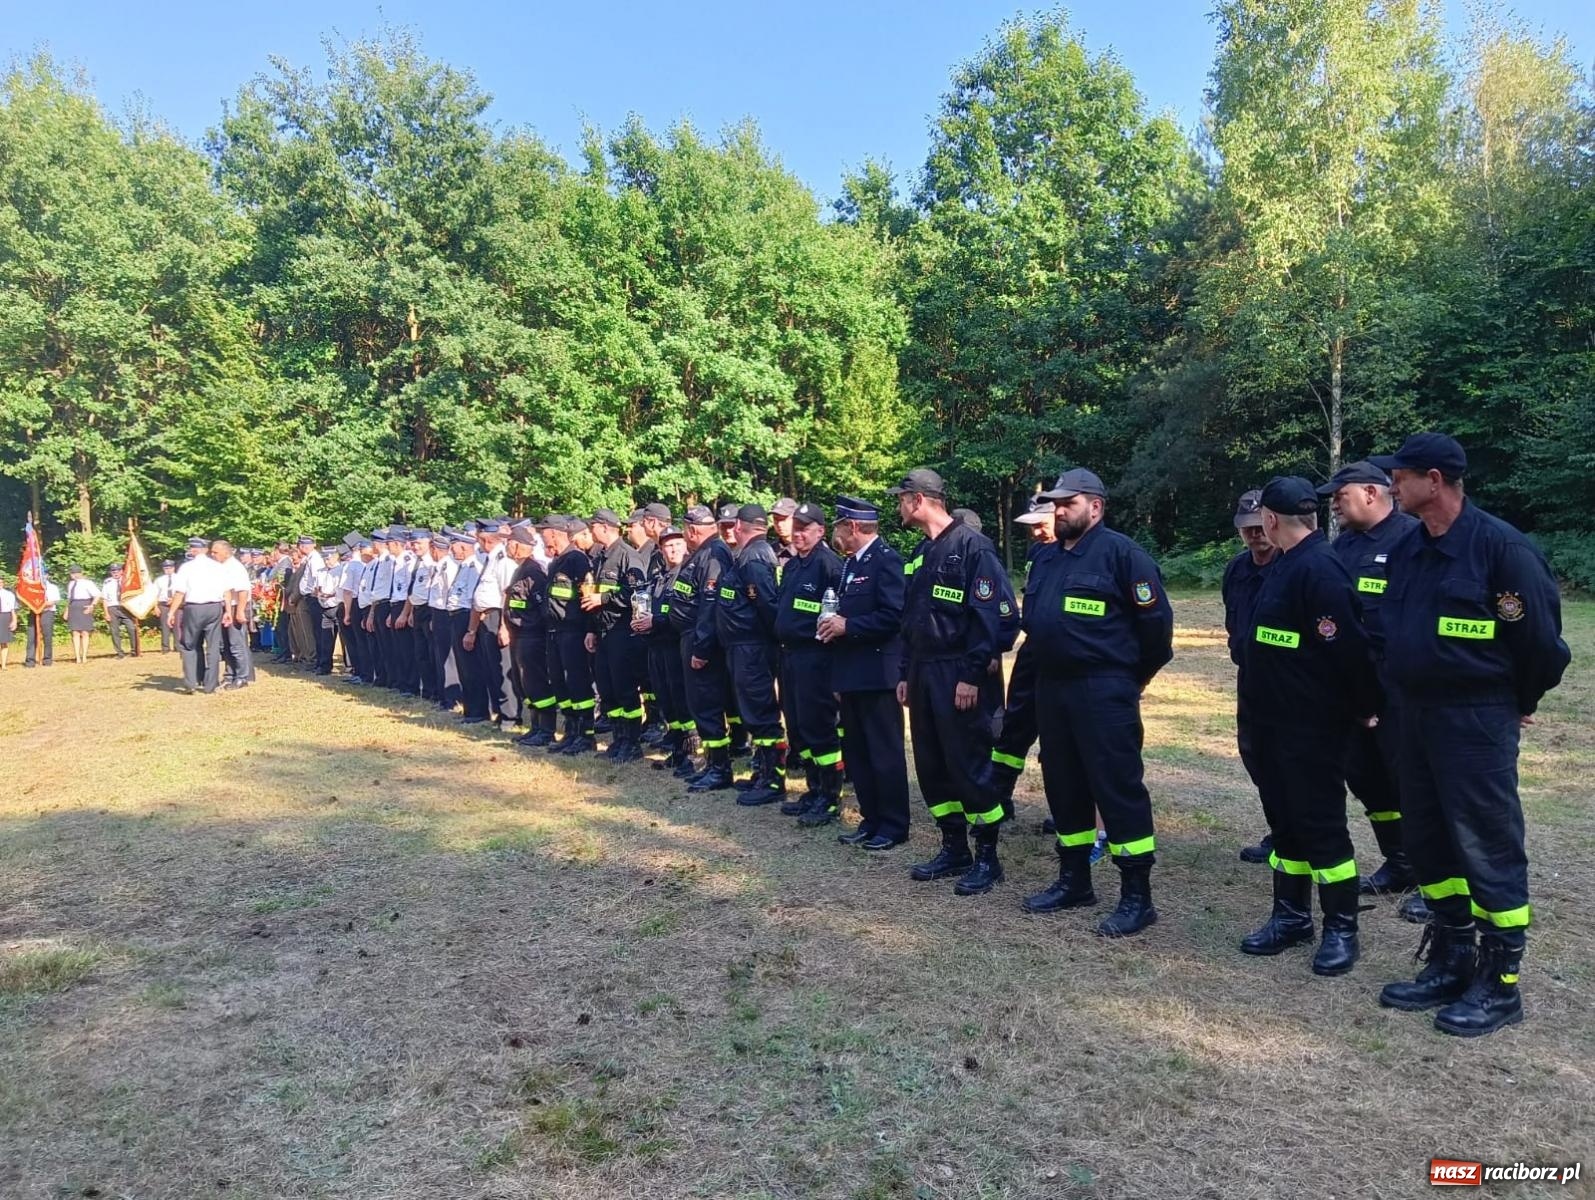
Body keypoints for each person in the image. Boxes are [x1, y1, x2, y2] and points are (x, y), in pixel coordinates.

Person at [1372, 433, 1570, 1037]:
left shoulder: (1501, 550)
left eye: (1399, 478)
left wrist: (1516, 702)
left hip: (1475, 716)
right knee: (1429, 840)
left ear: (1434, 481)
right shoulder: (1409, 549)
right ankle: (1452, 958)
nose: (1391, 488)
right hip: (1415, 715)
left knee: (1486, 843)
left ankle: (1500, 983)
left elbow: (1541, 647)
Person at [1011, 468, 1175, 937]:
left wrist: (1128, 679)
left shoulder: (1123, 555)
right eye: (1056, 503)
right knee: (1064, 785)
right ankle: (1074, 880)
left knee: (1117, 788)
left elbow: (1156, 633)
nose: (1059, 510)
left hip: (1104, 689)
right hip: (1053, 687)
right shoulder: (1046, 557)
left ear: (1096, 507)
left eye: (1069, 503)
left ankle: (1137, 897)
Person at [1238, 477, 1379, 976]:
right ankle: (1291, 917)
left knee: (1320, 827)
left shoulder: (1319, 569)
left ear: (1272, 520)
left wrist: (1364, 707)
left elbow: (1349, 651)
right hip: (1272, 722)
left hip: (1311, 727)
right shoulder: (1285, 564)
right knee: (1286, 825)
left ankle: (1342, 928)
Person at [890, 468, 1009, 895]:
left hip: (958, 672)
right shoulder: (922, 553)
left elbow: (986, 619)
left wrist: (971, 675)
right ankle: (953, 846)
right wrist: (905, 672)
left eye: (901, 499)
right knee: (932, 764)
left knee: (968, 764)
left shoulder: (973, 548)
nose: (898, 507)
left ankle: (988, 858)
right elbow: (910, 620)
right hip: (922, 672)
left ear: (919, 500)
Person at [1317, 461, 1427, 923]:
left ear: (1369, 492)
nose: (1334, 504)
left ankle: (1433, 877)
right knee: (1366, 777)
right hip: (1351, 682)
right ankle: (1398, 861)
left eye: (1339, 495)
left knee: (1412, 780)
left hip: (1398, 683)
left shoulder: (1412, 540)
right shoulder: (1342, 547)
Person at [819, 497, 910, 850]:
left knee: (884, 753)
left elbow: (893, 616)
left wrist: (848, 625)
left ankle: (894, 824)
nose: (835, 533)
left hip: (878, 675)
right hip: (852, 674)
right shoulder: (850, 564)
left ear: (853, 527)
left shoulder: (886, 561)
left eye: (838, 526)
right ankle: (871, 819)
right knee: (858, 753)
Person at [774, 502, 845, 826]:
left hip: (817, 658)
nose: (799, 534)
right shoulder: (792, 566)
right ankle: (814, 789)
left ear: (820, 530)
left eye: (806, 529)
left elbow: (841, 614)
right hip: (790, 657)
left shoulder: (829, 565)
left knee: (819, 728)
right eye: (796, 528)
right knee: (799, 726)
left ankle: (830, 797)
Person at [1223, 490, 1278, 865]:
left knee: (1287, 759)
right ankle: (1279, 830)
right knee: (1255, 754)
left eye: (1260, 527)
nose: (1255, 535)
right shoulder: (1237, 570)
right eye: (1248, 529)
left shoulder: (1291, 566)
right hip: (1250, 677)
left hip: (1287, 681)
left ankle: (1298, 832)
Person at [719, 504, 786, 804]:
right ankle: (762, 770)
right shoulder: (751, 554)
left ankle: (773, 780)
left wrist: (771, 640)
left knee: (761, 711)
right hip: (743, 646)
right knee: (752, 711)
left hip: (753, 647)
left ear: (738, 527)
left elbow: (767, 605)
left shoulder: (754, 557)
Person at [674, 505, 738, 789]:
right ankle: (712, 762)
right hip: (691, 636)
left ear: (691, 530)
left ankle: (720, 768)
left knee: (708, 704)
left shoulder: (713, 554)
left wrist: (701, 648)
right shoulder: (701, 553)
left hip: (703, 642)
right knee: (699, 704)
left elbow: (709, 606)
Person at [584, 509, 649, 760]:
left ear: (605, 527)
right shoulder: (601, 557)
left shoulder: (626, 556)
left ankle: (632, 743)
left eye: (593, 526)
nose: (591, 531)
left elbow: (638, 594)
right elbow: (592, 595)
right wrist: (591, 629)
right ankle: (618, 739)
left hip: (622, 632)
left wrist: (604, 598)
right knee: (607, 689)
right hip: (602, 632)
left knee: (624, 689)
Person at [634, 527, 694, 772]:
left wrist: (655, 620)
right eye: (668, 546)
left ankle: (692, 755)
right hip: (657, 647)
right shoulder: (660, 577)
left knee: (682, 700)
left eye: (678, 544)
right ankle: (678, 750)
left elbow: (682, 612)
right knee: (667, 701)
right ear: (660, 550)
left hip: (676, 645)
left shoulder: (688, 575)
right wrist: (641, 620)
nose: (673, 550)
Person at [542, 517, 597, 752]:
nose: (542, 537)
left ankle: (586, 735)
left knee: (577, 682)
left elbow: (586, 595)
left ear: (554, 533)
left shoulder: (576, 559)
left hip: (573, 631)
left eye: (544, 532)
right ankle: (571, 729)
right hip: (554, 631)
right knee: (559, 682)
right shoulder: (557, 561)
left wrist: (589, 630)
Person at [505, 525, 557, 747]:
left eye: (508, 543)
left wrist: (529, 625)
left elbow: (539, 606)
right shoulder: (521, 568)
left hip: (531, 635)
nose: (507, 547)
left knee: (536, 682)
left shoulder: (533, 571)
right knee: (524, 683)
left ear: (517, 545)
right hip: (519, 635)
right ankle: (535, 726)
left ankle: (546, 730)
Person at [168, 537, 228, 693]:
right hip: (214, 607)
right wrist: (228, 611)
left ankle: (191, 682)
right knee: (213, 647)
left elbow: (180, 592)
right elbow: (226, 591)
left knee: (189, 645)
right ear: (206, 549)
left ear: (192, 550)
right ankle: (211, 684)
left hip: (194, 608)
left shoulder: (187, 568)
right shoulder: (217, 567)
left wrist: (171, 612)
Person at [214, 539, 254, 689]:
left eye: (215, 552)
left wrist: (240, 612)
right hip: (226, 607)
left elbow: (242, 590)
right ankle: (230, 674)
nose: (213, 555)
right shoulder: (222, 567)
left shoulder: (235, 567)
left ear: (226, 551)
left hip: (236, 606)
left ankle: (242, 677)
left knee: (236, 644)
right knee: (226, 645)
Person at [101, 565, 139, 658]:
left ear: (121, 571)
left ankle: (134, 650)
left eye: (117, 571)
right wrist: (106, 613)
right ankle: (119, 652)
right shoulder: (107, 583)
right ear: (111, 572)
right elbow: (104, 599)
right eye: (113, 571)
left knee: (131, 628)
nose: (116, 573)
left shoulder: (127, 581)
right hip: (112, 608)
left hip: (125, 607)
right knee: (115, 631)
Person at [64, 565, 100, 664]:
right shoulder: (71, 584)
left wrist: (92, 605)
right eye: (71, 573)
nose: (72, 575)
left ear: (79, 573)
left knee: (85, 632)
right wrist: (67, 610)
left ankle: (84, 656)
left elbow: (97, 595)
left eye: (74, 573)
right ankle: (77, 657)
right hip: (73, 606)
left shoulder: (88, 583)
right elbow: (69, 599)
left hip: (85, 605)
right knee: (75, 632)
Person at [24, 573, 59, 667]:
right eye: (39, 575)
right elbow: (26, 600)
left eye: (43, 575)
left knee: (47, 636)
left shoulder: (52, 587)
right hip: (34, 612)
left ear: (47, 575)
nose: (41, 577)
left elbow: (53, 601)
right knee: (31, 637)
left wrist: (40, 604)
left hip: (47, 612)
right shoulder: (32, 588)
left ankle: (47, 659)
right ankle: (30, 661)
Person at [153, 560, 178, 652]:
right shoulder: (159, 580)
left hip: (177, 604)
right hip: (163, 604)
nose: (168, 570)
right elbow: (155, 594)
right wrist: (155, 607)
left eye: (170, 568)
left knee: (177, 626)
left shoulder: (179, 578)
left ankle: (178, 646)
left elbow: (182, 592)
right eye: (166, 568)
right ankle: (165, 647)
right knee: (164, 626)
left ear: (174, 568)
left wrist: (173, 600)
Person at [0, 572, 16, 669]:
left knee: (4, 641)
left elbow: (12, 609)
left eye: (1, 582)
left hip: (5, 616)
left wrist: (14, 621)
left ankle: (4, 665)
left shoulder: (8, 594)